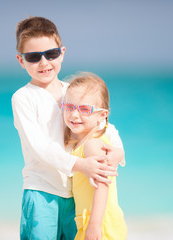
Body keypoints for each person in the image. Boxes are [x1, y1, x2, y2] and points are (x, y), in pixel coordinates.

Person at [12, 16, 125, 239]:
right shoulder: (23, 97)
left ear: (61, 53)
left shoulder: (71, 91)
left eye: (51, 54)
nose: (44, 63)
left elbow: (103, 124)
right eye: (34, 57)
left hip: (74, 195)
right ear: (21, 60)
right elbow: (39, 146)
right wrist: (80, 164)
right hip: (42, 190)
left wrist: (119, 151)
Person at [63, 72, 127, 240]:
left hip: (100, 224)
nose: (74, 115)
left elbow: (103, 184)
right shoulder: (80, 144)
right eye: (69, 107)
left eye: (84, 109)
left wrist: (94, 224)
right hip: (90, 221)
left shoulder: (93, 144)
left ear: (102, 115)